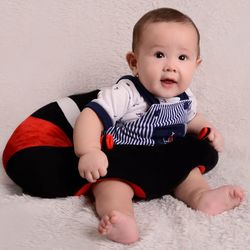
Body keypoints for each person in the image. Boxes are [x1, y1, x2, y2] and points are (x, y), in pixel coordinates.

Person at [73, 7, 244, 244]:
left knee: (187, 170)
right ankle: (121, 219)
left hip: (164, 157)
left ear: (196, 65)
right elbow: (90, 116)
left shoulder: (186, 97)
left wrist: (207, 128)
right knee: (110, 186)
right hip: (125, 158)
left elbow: (191, 118)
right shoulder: (127, 93)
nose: (171, 66)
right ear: (134, 62)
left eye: (182, 58)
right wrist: (89, 151)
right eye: (159, 55)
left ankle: (202, 197)